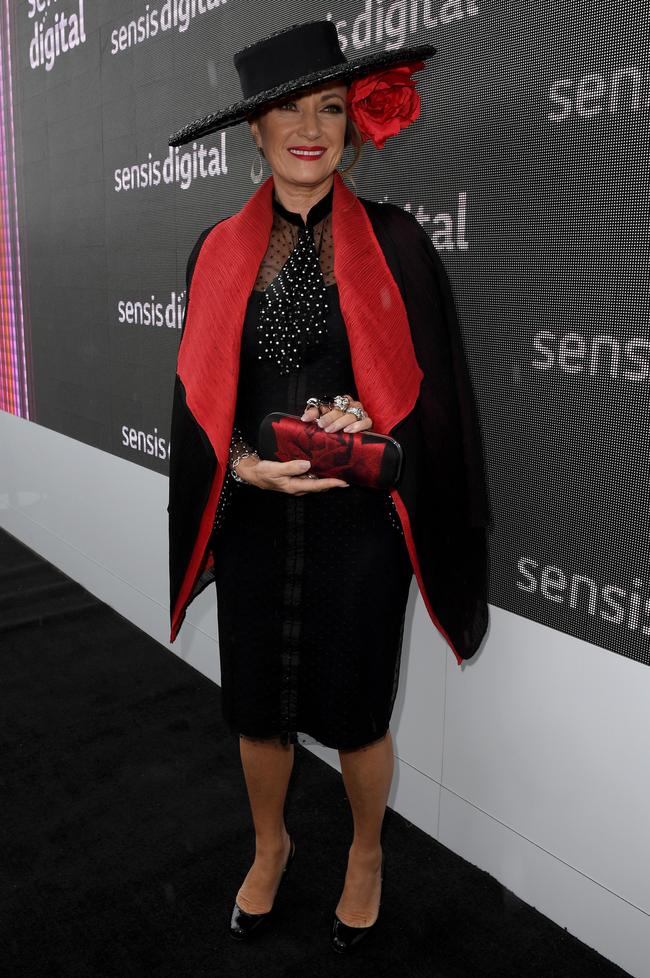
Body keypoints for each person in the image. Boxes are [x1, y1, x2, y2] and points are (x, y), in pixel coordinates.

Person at [167, 19, 491, 952]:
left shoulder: (396, 241)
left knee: (354, 712)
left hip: (362, 528)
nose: (309, 127)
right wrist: (240, 464)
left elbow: (430, 400)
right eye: (286, 111)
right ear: (255, 133)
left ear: (351, 124)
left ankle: (364, 853)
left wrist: (371, 426)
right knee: (256, 711)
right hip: (259, 522)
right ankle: (270, 848)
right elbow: (198, 406)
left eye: (330, 108)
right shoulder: (216, 252)